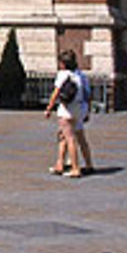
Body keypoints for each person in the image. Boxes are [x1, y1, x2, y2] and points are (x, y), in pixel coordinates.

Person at [44, 49, 84, 177]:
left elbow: (56, 93)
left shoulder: (63, 74)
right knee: (62, 137)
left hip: (66, 109)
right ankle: (60, 164)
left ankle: (75, 168)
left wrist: (49, 108)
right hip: (77, 108)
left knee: (70, 139)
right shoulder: (78, 75)